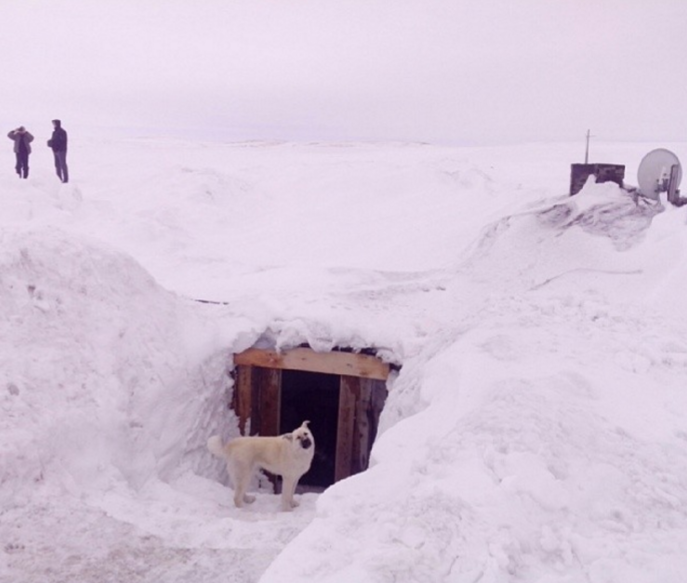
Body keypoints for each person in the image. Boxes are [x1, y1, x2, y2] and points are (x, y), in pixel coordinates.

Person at [47, 119, 68, 183]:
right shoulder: (54, 132)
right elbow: (54, 140)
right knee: (57, 165)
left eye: (54, 123)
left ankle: (65, 179)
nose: (53, 125)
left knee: (62, 165)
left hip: (61, 150)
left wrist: (53, 143)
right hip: (55, 150)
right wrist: (50, 143)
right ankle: (58, 179)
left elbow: (62, 141)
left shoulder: (62, 132)